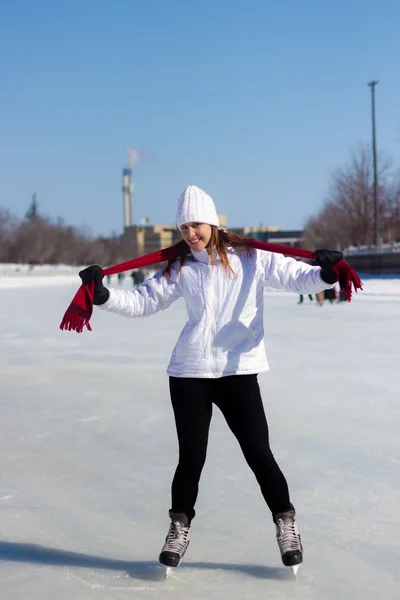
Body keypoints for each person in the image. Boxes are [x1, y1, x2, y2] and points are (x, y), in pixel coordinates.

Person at [79, 185, 342, 574]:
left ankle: (286, 523)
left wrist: (325, 273)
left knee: (258, 453)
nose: (190, 233)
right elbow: (143, 301)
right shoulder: (180, 265)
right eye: (183, 226)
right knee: (191, 457)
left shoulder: (253, 257)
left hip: (237, 371)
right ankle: (178, 528)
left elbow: (297, 278)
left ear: (213, 221)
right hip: (189, 372)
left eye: (196, 224)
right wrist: (103, 296)